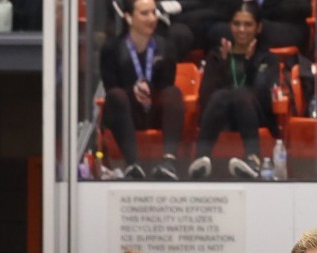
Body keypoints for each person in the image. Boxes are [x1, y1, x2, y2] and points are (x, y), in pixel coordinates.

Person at [187, 4, 278, 182]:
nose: (241, 29)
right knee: (220, 96)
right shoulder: (218, 55)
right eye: (236, 24)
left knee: (240, 95)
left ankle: (253, 160)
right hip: (222, 117)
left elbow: (262, 95)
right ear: (230, 26)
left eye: (248, 24)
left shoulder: (267, 58)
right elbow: (206, 95)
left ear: (258, 28)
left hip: (254, 116)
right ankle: (201, 161)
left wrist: (250, 64)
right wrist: (222, 64)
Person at [100, 0, 185, 180]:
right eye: (144, 13)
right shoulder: (111, 49)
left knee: (173, 93)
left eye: (153, 13)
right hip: (126, 111)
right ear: (129, 18)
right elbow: (111, 89)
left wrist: (149, 91)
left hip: (153, 110)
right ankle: (133, 165)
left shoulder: (166, 46)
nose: (152, 18)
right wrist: (134, 93)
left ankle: (169, 162)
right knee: (117, 96)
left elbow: (165, 85)